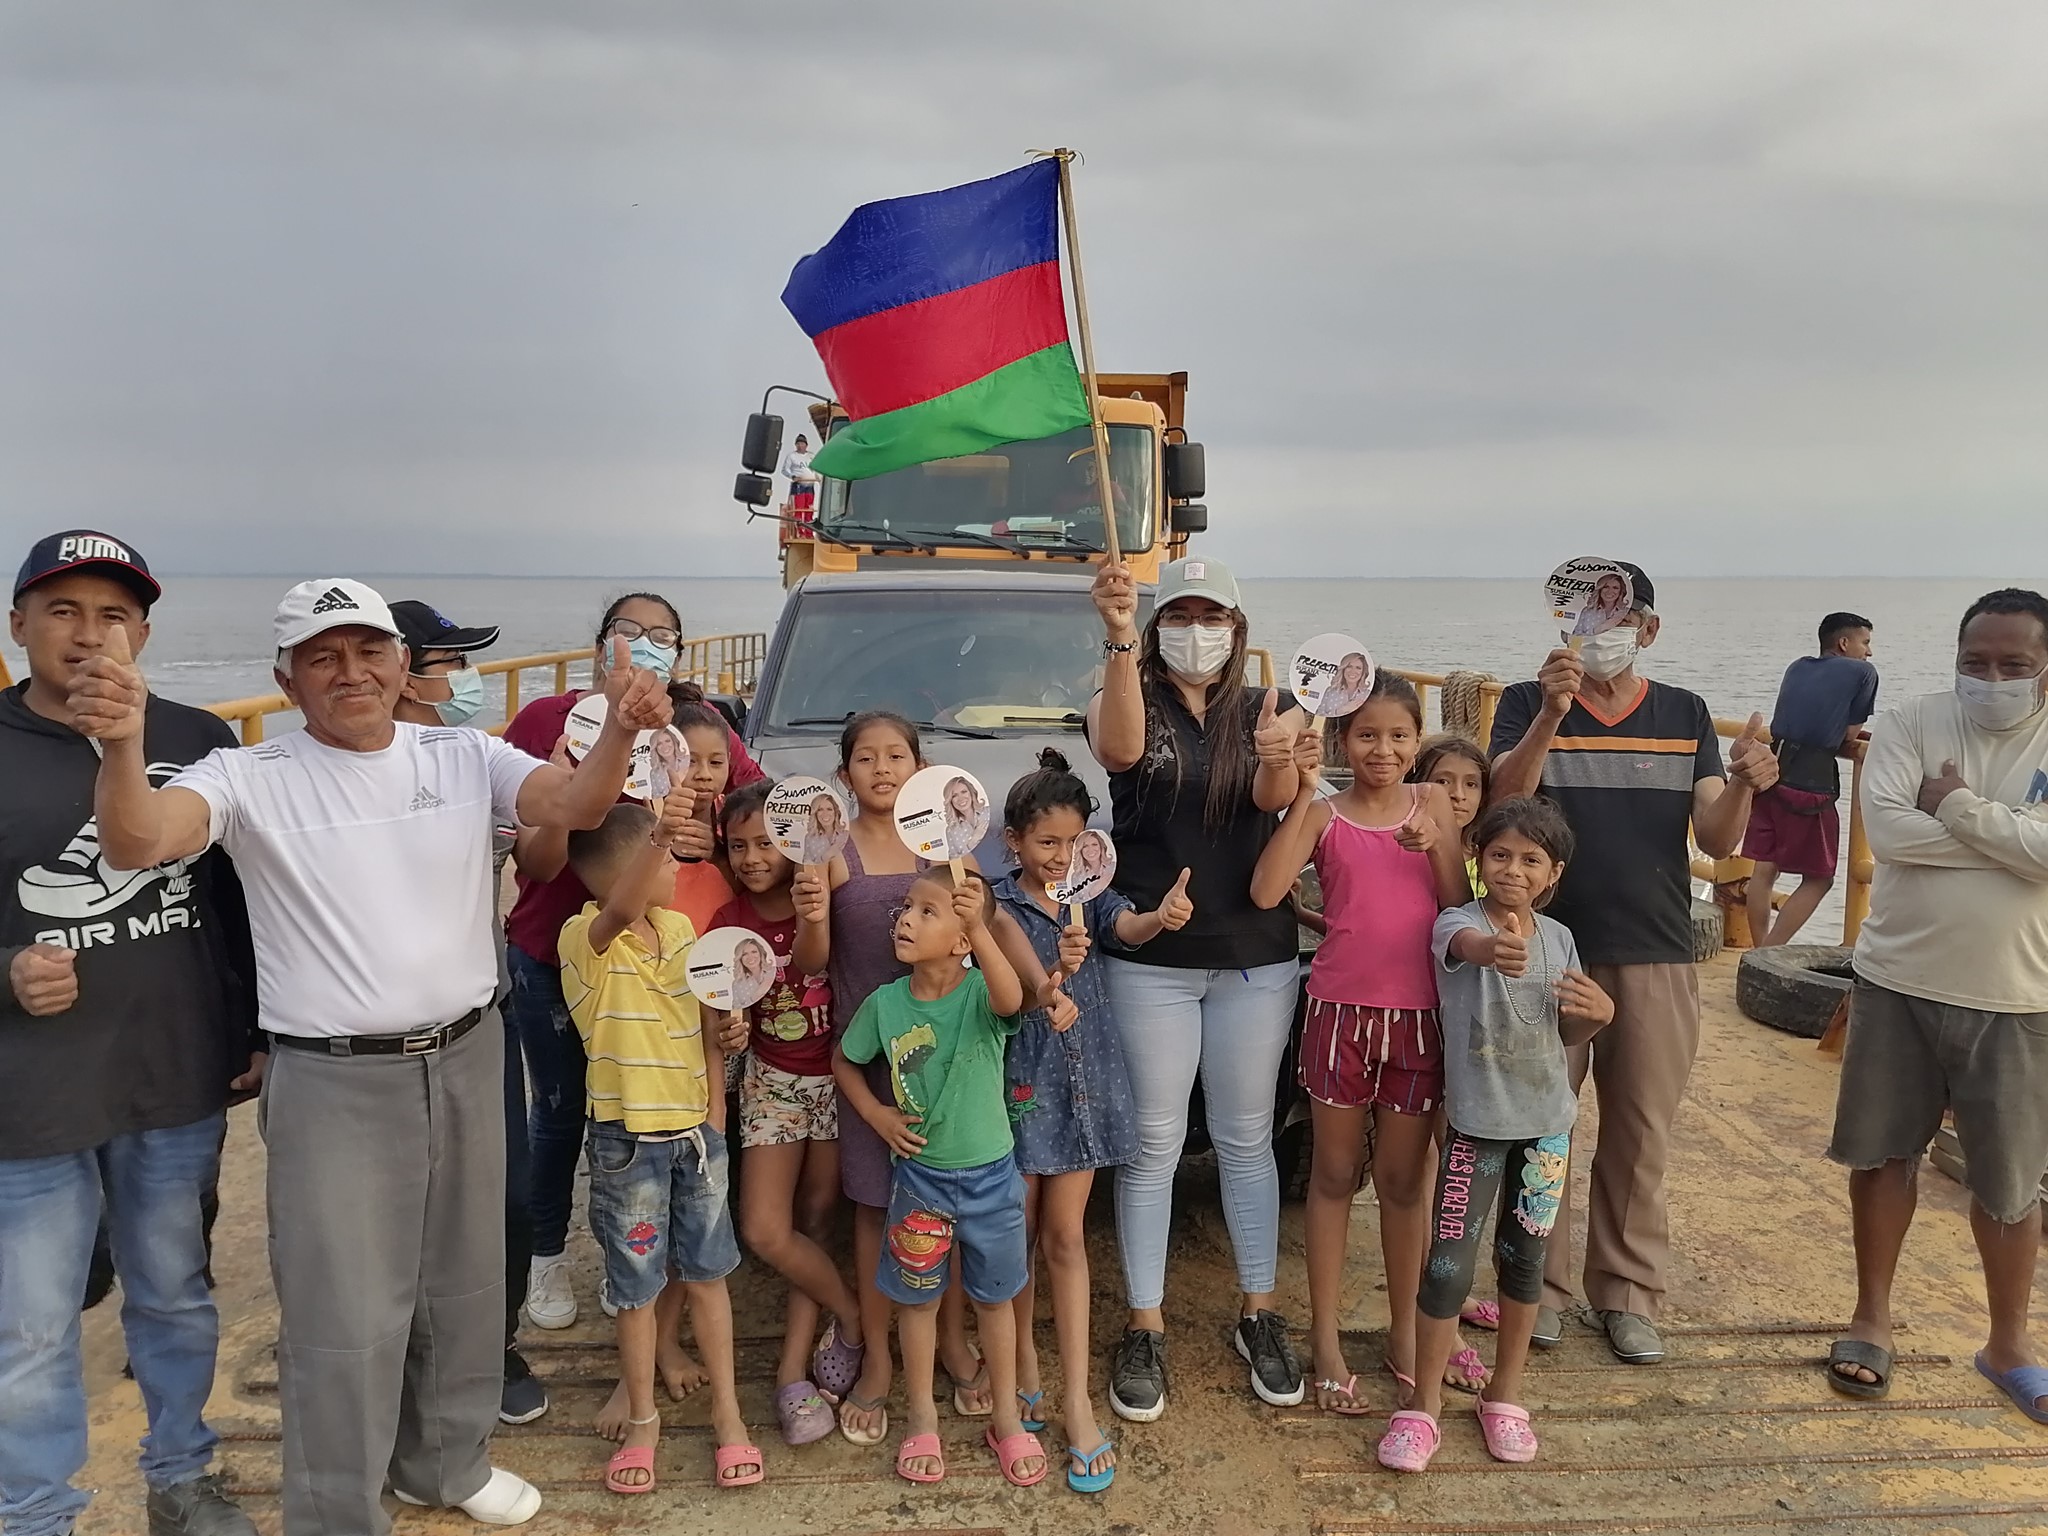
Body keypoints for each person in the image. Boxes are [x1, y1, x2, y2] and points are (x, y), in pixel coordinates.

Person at [71, 577, 674, 1535]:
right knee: (343, 1316)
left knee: (465, 1285)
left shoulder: (463, 753)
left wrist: (622, 730)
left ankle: (446, 1463)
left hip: (468, 1052)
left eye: (368, 650)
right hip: (333, 1078)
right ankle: (336, 1513)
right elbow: (139, 839)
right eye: (322, 656)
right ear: (287, 679)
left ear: (400, 666)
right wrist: (122, 743)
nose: (349, 672)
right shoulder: (246, 774)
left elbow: (572, 799)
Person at [1, 531, 261, 1536]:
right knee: (30, 1327)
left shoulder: (200, 739)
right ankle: (35, 1514)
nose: (88, 633)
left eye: (113, 615)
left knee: (174, 1295)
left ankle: (181, 1475)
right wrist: (7, 972)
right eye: (62, 610)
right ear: (18, 625)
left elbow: (239, 908)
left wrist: (251, 1032)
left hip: (172, 1078)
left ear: (143, 636)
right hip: (30, 1096)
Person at [1489, 560, 1778, 1366]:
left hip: (1655, 949)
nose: (1601, 632)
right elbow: (1502, 803)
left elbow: (1716, 836)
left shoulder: (1685, 713)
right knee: (1539, 1128)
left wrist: (1746, 783)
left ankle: (1627, 1293)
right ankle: (1535, 1290)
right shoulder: (1526, 700)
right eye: (1585, 616)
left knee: (1641, 1130)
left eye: (1617, 618)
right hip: (1546, 949)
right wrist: (1551, 716)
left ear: (1648, 629)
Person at [1085, 554, 1309, 1419]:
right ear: (1156, 625)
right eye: (1179, 614)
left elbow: (1272, 795)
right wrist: (1116, 635)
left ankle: (1259, 1311)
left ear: (1237, 628)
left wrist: (1283, 758)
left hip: (1255, 958)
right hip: (1151, 961)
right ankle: (1145, 1322)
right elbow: (1119, 751)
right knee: (1154, 1142)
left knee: (1248, 1137)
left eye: (1213, 615)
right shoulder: (1124, 692)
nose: (1197, 629)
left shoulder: (1267, 707)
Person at [502, 593, 760, 1336]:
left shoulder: (694, 725)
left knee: (647, 1109)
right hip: (556, 953)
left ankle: (654, 1265)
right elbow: (531, 855)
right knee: (560, 1113)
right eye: (629, 632)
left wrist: (715, 836)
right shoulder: (547, 722)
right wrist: (567, 788)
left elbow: (755, 805)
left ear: (678, 653)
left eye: (663, 637)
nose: (645, 646)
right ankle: (548, 1254)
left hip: (660, 964)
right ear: (599, 643)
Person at [1825, 588, 2048, 1426]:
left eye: (2014, 665)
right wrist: (2011, 839)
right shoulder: (1913, 722)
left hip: (2020, 994)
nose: (1991, 678)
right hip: (1899, 981)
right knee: (1883, 1157)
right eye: (1974, 662)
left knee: (2011, 1183)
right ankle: (1871, 1317)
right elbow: (1888, 832)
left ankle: (2009, 1344)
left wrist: (1952, 804)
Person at [823, 712, 1060, 1444]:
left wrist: (1043, 983)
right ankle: (883, 1367)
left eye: (897, 755)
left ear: (921, 770)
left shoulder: (952, 857)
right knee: (879, 1214)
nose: (882, 768)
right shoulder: (833, 848)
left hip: (961, 1081)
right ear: (845, 772)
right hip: (878, 1043)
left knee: (965, 1254)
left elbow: (996, 933)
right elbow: (814, 954)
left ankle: (960, 1355)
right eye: (866, 757)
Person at [1251, 675, 1472, 1412]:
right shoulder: (1324, 813)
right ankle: (1326, 1341)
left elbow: (1456, 906)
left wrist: (1435, 846)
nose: (1383, 749)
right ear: (1344, 740)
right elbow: (1266, 891)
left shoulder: (1433, 803)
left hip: (1417, 1019)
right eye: (1367, 735)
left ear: (1418, 740)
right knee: (1334, 1175)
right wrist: (1304, 794)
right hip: (1339, 1016)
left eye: (1399, 736)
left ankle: (1406, 1335)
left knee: (1405, 1184)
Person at [1376, 797, 1614, 1472]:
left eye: (1531, 859)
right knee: (1448, 1267)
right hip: (1476, 1128)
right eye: (1500, 855)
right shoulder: (1458, 922)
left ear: (1553, 873)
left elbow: (1566, 1030)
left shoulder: (1560, 939)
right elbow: (1466, 949)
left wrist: (1602, 1014)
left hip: (1547, 1134)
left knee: (1525, 1262)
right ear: (1478, 860)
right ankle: (1422, 1406)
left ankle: (1505, 1397)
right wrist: (1493, 949)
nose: (1513, 869)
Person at [991, 750, 1193, 1493]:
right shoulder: (994, 905)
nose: (1060, 855)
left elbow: (1127, 928)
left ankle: (1075, 1396)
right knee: (1016, 1234)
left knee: (1067, 1236)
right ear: (1013, 841)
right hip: (1019, 1086)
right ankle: (1023, 1363)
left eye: (1074, 842)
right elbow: (1002, 988)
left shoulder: (1093, 893)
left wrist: (1160, 918)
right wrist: (1053, 976)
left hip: (1086, 1084)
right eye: (1046, 842)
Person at [558, 800, 760, 1492]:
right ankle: (643, 1418)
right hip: (627, 1143)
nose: (677, 866)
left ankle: (729, 1414)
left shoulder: (679, 929)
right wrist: (659, 834)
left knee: (709, 1275)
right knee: (636, 1288)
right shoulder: (584, 939)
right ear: (631, 871)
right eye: (666, 856)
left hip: (696, 1134)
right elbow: (618, 911)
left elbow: (706, 1020)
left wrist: (718, 1091)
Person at [389, 598, 551, 1429]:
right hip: (378, 1036)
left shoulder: (476, 760)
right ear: (401, 672)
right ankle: (407, 1366)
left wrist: (571, 785)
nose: (466, 678)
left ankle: (495, 1344)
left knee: (507, 1195)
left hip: (485, 1012)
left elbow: (541, 852)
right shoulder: (335, 774)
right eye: (450, 663)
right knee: (403, 1212)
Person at [833, 867, 1046, 1488]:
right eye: (907, 907)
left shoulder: (981, 992)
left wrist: (981, 926)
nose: (905, 918)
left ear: (962, 940)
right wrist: (877, 1115)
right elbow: (845, 1062)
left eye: (928, 912)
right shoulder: (885, 1004)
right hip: (919, 1183)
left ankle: (1005, 1417)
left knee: (995, 1301)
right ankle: (922, 1416)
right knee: (918, 1302)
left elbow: (1012, 1000)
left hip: (992, 1182)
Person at [712, 781, 864, 1449]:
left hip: (837, 1076)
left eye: (764, 843)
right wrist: (728, 1031)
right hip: (772, 1083)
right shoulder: (727, 922)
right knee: (766, 1230)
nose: (750, 858)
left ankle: (790, 1376)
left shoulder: (827, 896)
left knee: (817, 1221)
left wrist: (815, 901)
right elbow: (721, 1009)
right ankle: (852, 1317)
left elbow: (824, 957)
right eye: (736, 846)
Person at [1743, 612, 1879, 947]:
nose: (1869, 652)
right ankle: (1769, 954)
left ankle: (1757, 949)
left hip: (1771, 774)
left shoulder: (1797, 666)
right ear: (1844, 643)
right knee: (1820, 879)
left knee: (1764, 869)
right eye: (1865, 643)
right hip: (1810, 786)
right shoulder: (1863, 672)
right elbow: (1849, 734)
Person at [1415, 734, 1492, 901]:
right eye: (1443, 781)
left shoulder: (1490, 859)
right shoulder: (1404, 853)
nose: (1458, 794)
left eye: (1471, 784)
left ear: (1483, 797)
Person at [1571, 572, 1632, 638]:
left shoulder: (1627, 613)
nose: (1610, 591)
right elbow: (1574, 638)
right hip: (1589, 645)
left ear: (1621, 591)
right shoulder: (1587, 611)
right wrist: (1598, 629)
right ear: (1600, 589)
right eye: (1606, 587)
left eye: (1615, 588)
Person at [943, 775, 984, 860]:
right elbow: (955, 862)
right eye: (954, 795)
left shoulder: (988, 813)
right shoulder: (951, 830)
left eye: (964, 792)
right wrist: (973, 841)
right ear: (950, 800)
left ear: (971, 793)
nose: (960, 798)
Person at [801, 791, 846, 867]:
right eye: (820, 809)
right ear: (815, 813)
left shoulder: (846, 835)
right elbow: (806, 866)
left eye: (829, 809)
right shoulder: (809, 838)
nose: (825, 813)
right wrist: (825, 856)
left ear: (835, 812)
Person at [783, 433, 819, 522]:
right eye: (798, 444)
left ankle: (808, 528)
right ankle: (799, 528)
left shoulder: (811, 456)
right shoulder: (792, 456)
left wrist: (819, 479)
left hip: (810, 485)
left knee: (809, 509)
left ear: (806, 445)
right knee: (799, 509)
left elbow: (816, 469)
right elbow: (784, 470)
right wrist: (792, 476)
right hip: (798, 486)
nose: (800, 446)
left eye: (802, 444)